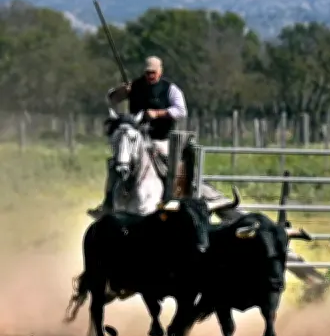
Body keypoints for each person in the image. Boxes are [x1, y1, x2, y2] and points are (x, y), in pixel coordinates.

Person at [88, 55, 237, 219]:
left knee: (173, 165)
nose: (149, 76)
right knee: (117, 163)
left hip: (160, 139)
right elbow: (112, 99)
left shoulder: (170, 89)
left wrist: (158, 113)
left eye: (153, 72)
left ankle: (177, 198)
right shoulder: (135, 86)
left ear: (160, 71)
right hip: (137, 139)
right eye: (147, 73)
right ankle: (108, 203)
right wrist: (122, 91)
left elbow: (181, 111)